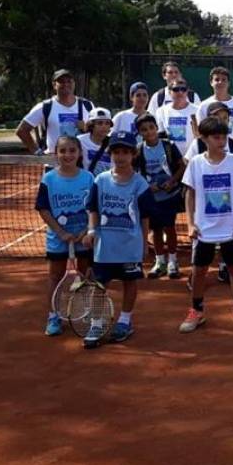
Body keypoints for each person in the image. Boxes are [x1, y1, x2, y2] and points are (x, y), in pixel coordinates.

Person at [179, 116, 233, 333]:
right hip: (203, 229)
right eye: (215, 137)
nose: (221, 141)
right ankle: (196, 310)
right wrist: (192, 224)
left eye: (223, 137)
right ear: (204, 138)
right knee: (199, 269)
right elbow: (190, 195)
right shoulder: (195, 163)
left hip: (230, 228)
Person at [81, 131, 155, 348]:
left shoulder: (140, 184)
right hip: (104, 247)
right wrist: (92, 231)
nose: (120, 157)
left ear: (133, 154)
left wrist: (143, 243)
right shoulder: (101, 180)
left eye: (125, 152)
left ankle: (124, 320)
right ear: (110, 154)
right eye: (116, 152)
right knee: (97, 285)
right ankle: (97, 322)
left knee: (129, 282)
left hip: (130, 247)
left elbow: (145, 217)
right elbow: (93, 208)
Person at [36, 135, 95, 337]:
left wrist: (86, 230)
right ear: (56, 154)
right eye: (63, 151)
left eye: (72, 150)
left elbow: (93, 208)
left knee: (86, 274)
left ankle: (86, 311)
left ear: (79, 153)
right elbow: (43, 209)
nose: (67, 155)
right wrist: (60, 232)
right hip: (58, 239)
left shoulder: (88, 177)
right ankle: (53, 316)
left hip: (83, 238)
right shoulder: (49, 179)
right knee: (55, 276)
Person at [134, 113, 185, 280]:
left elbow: (181, 167)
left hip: (169, 195)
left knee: (170, 227)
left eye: (151, 128)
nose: (149, 132)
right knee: (155, 230)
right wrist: (147, 187)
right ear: (140, 133)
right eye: (144, 130)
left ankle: (172, 261)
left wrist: (172, 181)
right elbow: (135, 173)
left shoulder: (169, 146)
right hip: (152, 197)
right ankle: (160, 261)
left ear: (157, 128)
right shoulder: (138, 150)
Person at [18, 69, 93, 154]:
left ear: (74, 83)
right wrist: (37, 152)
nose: (66, 84)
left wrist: (85, 128)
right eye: (61, 82)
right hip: (54, 162)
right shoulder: (45, 106)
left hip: (82, 162)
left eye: (69, 81)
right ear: (54, 85)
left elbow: (100, 132)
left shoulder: (87, 105)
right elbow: (22, 130)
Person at [195, 67, 233, 137]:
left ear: (229, 83)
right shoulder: (204, 105)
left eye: (224, 80)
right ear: (211, 83)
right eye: (217, 79)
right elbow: (200, 130)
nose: (220, 82)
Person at [154, 78, 199, 157]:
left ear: (187, 91)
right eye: (176, 89)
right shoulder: (161, 111)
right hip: (170, 158)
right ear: (169, 91)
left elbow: (200, 137)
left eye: (183, 89)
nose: (180, 92)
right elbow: (160, 137)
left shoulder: (197, 110)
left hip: (192, 157)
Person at [78, 108, 114, 175]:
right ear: (91, 125)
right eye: (100, 123)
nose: (104, 126)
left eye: (107, 123)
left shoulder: (113, 143)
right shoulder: (80, 141)